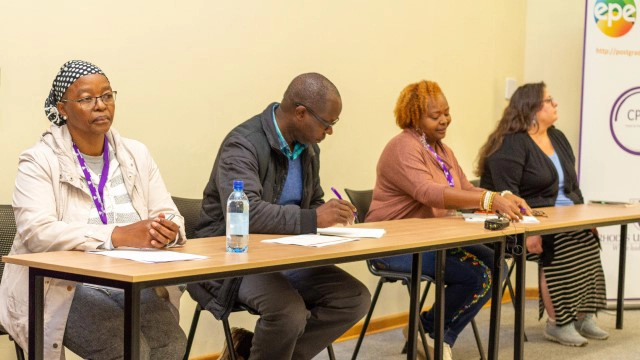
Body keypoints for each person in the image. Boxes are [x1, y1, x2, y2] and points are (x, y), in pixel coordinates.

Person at [0, 60, 188, 359]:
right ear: (62, 108)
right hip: (66, 286)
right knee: (130, 350)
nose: (101, 106)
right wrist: (117, 235)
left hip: (130, 279)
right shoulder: (39, 160)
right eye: (87, 99)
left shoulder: (136, 154)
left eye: (107, 96)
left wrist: (168, 230)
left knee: (172, 344)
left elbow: (169, 212)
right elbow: (37, 232)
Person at [187, 73, 371, 360]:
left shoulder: (309, 150)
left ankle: (253, 352)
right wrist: (314, 219)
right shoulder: (243, 144)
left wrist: (333, 219)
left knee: (353, 298)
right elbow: (247, 213)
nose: (330, 132)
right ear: (300, 113)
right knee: (288, 312)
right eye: (327, 123)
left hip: (284, 255)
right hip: (233, 257)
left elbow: (313, 203)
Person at [366, 80, 531, 360]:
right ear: (413, 117)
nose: (444, 120)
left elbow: (465, 188)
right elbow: (428, 193)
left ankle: (427, 329)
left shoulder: (441, 149)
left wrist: (502, 195)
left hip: (434, 238)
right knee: (478, 276)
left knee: (497, 267)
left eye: (447, 112)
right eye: (435, 116)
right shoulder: (402, 148)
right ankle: (432, 334)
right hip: (396, 245)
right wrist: (489, 201)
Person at [476, 82, 608, 347]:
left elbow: (572, 186)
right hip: (520, 223)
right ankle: (558, 322)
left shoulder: (557, 137)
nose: (555, 103)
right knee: (560, 240)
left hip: (564, 216)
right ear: (532, 109)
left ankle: (583, 315)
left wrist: (586, 220)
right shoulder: (511, 144)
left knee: (586, 238)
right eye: (549, 100)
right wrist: (530, 230)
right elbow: (506, 195)